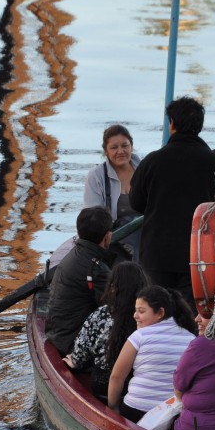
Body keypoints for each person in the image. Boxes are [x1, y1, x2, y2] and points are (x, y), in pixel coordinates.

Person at [128, 97, 215, 304]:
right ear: (200, 126)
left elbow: (136, 203)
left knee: (156, 313)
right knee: (190, 316)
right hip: (200, 255)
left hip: (157, 253)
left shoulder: (152, 161)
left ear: (172, 124)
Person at [108, 285, 197, 423]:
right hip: (173, 413)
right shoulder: (191, 339)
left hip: (135, 409)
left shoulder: (139, 336)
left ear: (160, 313)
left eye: (141, 311)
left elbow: (117, 376)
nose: (135, 315)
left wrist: (112, 407)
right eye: (135, 310)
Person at [64, 261, 150, 399]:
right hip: (136, 387)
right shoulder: (148, 316)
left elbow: (79, 356)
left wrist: (73, 361)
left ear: (113, 287)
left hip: (102, 385)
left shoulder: (101, 314)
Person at [45, 206, 114, 355]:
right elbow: (116, 308)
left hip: (58, 335)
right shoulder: (96, 269)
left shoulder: (74, 255)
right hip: (73, 344)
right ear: (107, 236)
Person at [83, 124, 143, 263]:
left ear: (131, 146)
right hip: (114, 238)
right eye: (114, 148)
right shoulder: (96, 175)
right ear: (106, 151)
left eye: (124, 146)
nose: (120, 151)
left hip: (144, 232)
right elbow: (92, 216)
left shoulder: (145, 169)